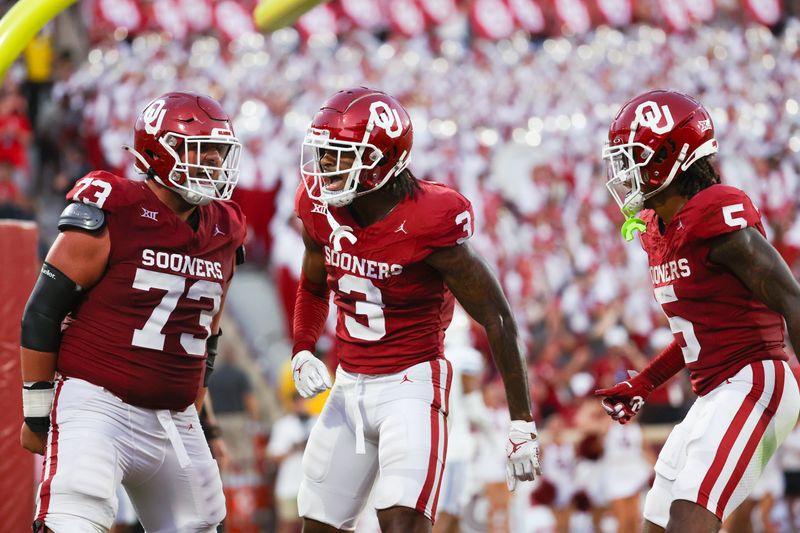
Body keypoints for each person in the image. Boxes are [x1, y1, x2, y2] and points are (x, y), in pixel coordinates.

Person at [291, 87, 540, 533]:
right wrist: (303, 347)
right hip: (348, 386)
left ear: (379, 162)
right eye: (323, 153)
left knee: (402, 522)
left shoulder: (430, 217)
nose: (324, 167)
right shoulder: (317, 207)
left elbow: (496, 315)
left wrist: (521, 421)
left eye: (338, 155)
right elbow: (312, 285)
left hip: (411, 385)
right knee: (317, 525)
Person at [19, 91, 247, 532]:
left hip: (174, 416)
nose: (214, 165)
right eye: (202, 152)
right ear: (159, 152)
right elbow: (41, 313)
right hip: (96, 402)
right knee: (74, 515)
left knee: (200, 524)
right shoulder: (115, 206)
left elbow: (208, 337)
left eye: (219, 153)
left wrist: (206, 422)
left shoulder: (226, 225)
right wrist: (36, 411)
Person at [595, 89, 800, 533]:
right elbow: (698, 332)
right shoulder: (658, 228)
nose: (624, 170)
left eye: (633, 156)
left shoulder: (714, 215)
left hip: (755, 379)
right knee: (659, 524)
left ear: (671, 156)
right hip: (712, 392)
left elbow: (792, 300)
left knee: (690, 515)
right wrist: (644, 382)